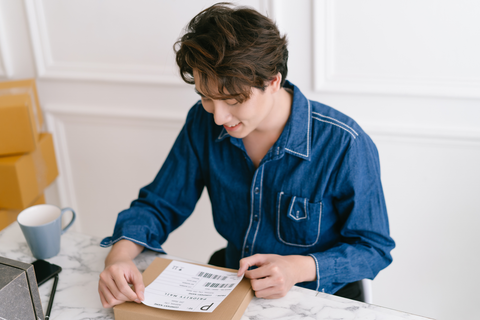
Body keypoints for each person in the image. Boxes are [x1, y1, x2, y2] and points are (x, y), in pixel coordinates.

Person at [98, 3, 395, 308]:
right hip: (234, 286)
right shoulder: (202, 123)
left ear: (273, 82)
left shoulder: (344, 144)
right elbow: (161, 204)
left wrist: (297, 268)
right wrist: (119, 258)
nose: (218, 116)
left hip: (318, 297)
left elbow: (373, 247)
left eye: (232, 100)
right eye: (206, 97)